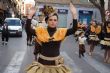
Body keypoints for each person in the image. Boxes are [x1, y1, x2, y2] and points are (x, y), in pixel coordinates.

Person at [25, 3, 77, 73]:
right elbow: (28, 30)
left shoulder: (61, 32)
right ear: (47, 21)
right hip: (42, 64)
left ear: (57, 22)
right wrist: (30, 16)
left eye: (55, 20)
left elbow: (74, 29)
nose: (53, 22)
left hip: (56, 65)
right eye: (51, 20)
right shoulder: (41, 31)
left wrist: (74, 14)